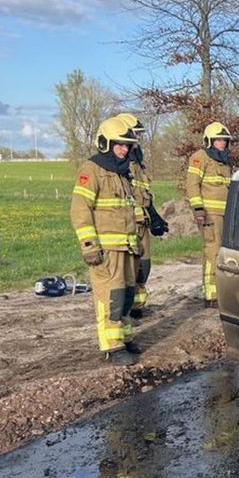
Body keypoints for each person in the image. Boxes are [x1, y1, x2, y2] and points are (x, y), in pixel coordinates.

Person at [69, 117, 142, 365]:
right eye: (119, 144)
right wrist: (89, 245)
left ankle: (124, 337)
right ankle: (111, 346)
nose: (124, 149)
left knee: (127, 295)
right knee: (110, 297)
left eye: (127, 145)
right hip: (106, 251)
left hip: (127, 246)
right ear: (105, 143)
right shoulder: (92, 170)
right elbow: (80, 209)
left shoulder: (123, 173)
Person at [185, 121, 234, 308]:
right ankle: (211, 293)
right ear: (209, 141)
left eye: (224, 140)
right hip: (209, 215)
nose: (222, 143)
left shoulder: (224, 161)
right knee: (212, 251)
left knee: (221, 252)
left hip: (224, 214)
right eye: (218, 140)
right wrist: (198, 209)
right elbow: (192, 184)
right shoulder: (200, 157)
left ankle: (220, 290)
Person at [115, 113, 154, 319]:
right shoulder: (120, 165)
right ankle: (129, 310)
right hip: (130, 226)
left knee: (143, 268)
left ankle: (138, 307)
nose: (137, 140)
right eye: (134, 135)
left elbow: (144, 193)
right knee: (130, 271)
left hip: (143, 223)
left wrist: (154, 215)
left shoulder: (138, 163)